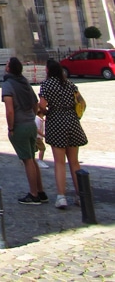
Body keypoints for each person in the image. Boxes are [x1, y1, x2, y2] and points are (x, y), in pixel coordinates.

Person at [38, 58, 88, 209]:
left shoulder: (46, 85)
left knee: (59, 162)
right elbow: (81, 102)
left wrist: (46, 112)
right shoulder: (70, 84)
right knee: (74, 161)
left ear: (47, 70)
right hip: (72, 120)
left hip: (56, 121)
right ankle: (81, 195)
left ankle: (61, 196)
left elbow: (42, 106)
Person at [1, 56, 47, 204]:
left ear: (9, 68)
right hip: (31, 125)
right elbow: (35, 104)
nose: (5, 66)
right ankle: (41, 192)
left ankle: (33, 194)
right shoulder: (25, 82)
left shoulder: (8, 85)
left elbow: (9, 111)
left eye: (7, 64)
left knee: (27, 161)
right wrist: (32, 116)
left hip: (19, 126)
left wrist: (11, 127)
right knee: (32, 159)